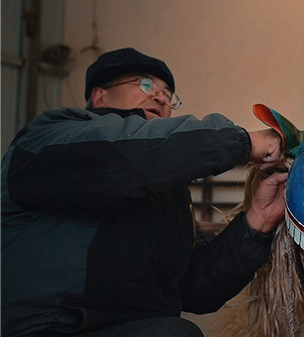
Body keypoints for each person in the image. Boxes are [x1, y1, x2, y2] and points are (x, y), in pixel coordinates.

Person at [1, 47, 288, 336]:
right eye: (146, 84)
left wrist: (257, 221)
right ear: (100, 96)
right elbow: (120, 154)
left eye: (168, 94)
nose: (161, 97)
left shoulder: (169, 193)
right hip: (47, 328)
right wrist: (242, 141)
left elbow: (196, 289)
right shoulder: (50, 138)